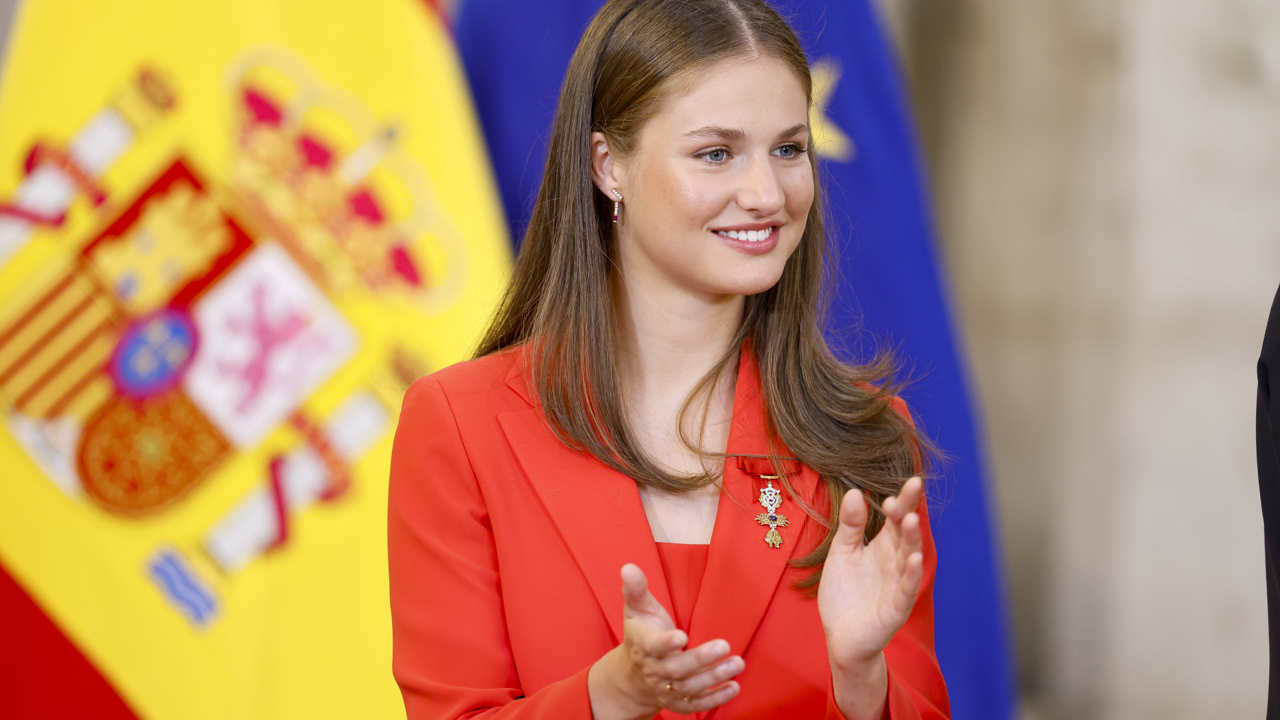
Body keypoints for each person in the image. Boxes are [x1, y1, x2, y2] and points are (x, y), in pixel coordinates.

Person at [387, 0, 950, 717]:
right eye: (716, 153)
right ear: (607, 166)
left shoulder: (866, 437)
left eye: (788, 149)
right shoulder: (463, 425)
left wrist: (862, 677)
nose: (766, 194)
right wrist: (607, 696)